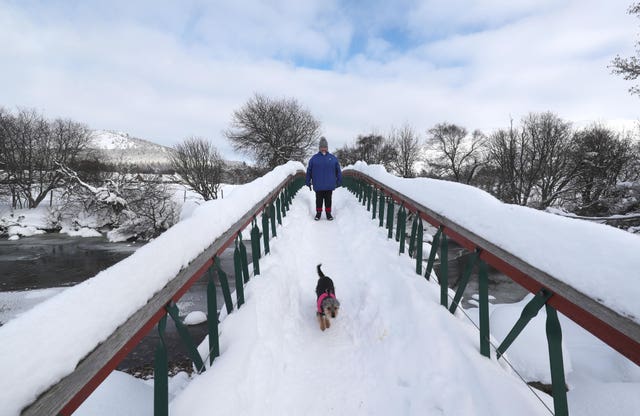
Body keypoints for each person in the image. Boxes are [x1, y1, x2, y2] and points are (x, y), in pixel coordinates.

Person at [305, 137, 342, 221]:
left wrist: (339, 181)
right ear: (319, 148)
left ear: (327, 147)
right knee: (319, 200)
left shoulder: (333, 158)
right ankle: (318, 214)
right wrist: (307, 180)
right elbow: (309, 170)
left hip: (329, 184)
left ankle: (328, 214)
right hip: (318, 184)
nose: (323, 149)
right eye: (322, 147)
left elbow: (338, 171)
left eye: (325, 147)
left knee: (328, 199)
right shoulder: (314, 158)